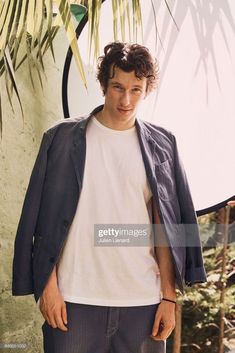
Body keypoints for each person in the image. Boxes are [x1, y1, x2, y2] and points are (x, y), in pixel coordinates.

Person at [12, 41, 207, 353]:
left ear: (147, 89)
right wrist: (47, 288)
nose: (126, 99)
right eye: (117, 86)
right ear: (103, 84)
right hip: (74, 300)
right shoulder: (60, 139)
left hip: (143, 303)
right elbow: (40, 218)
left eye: (136, 89)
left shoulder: (163, 145)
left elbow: (165, 229)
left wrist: (168, 298)